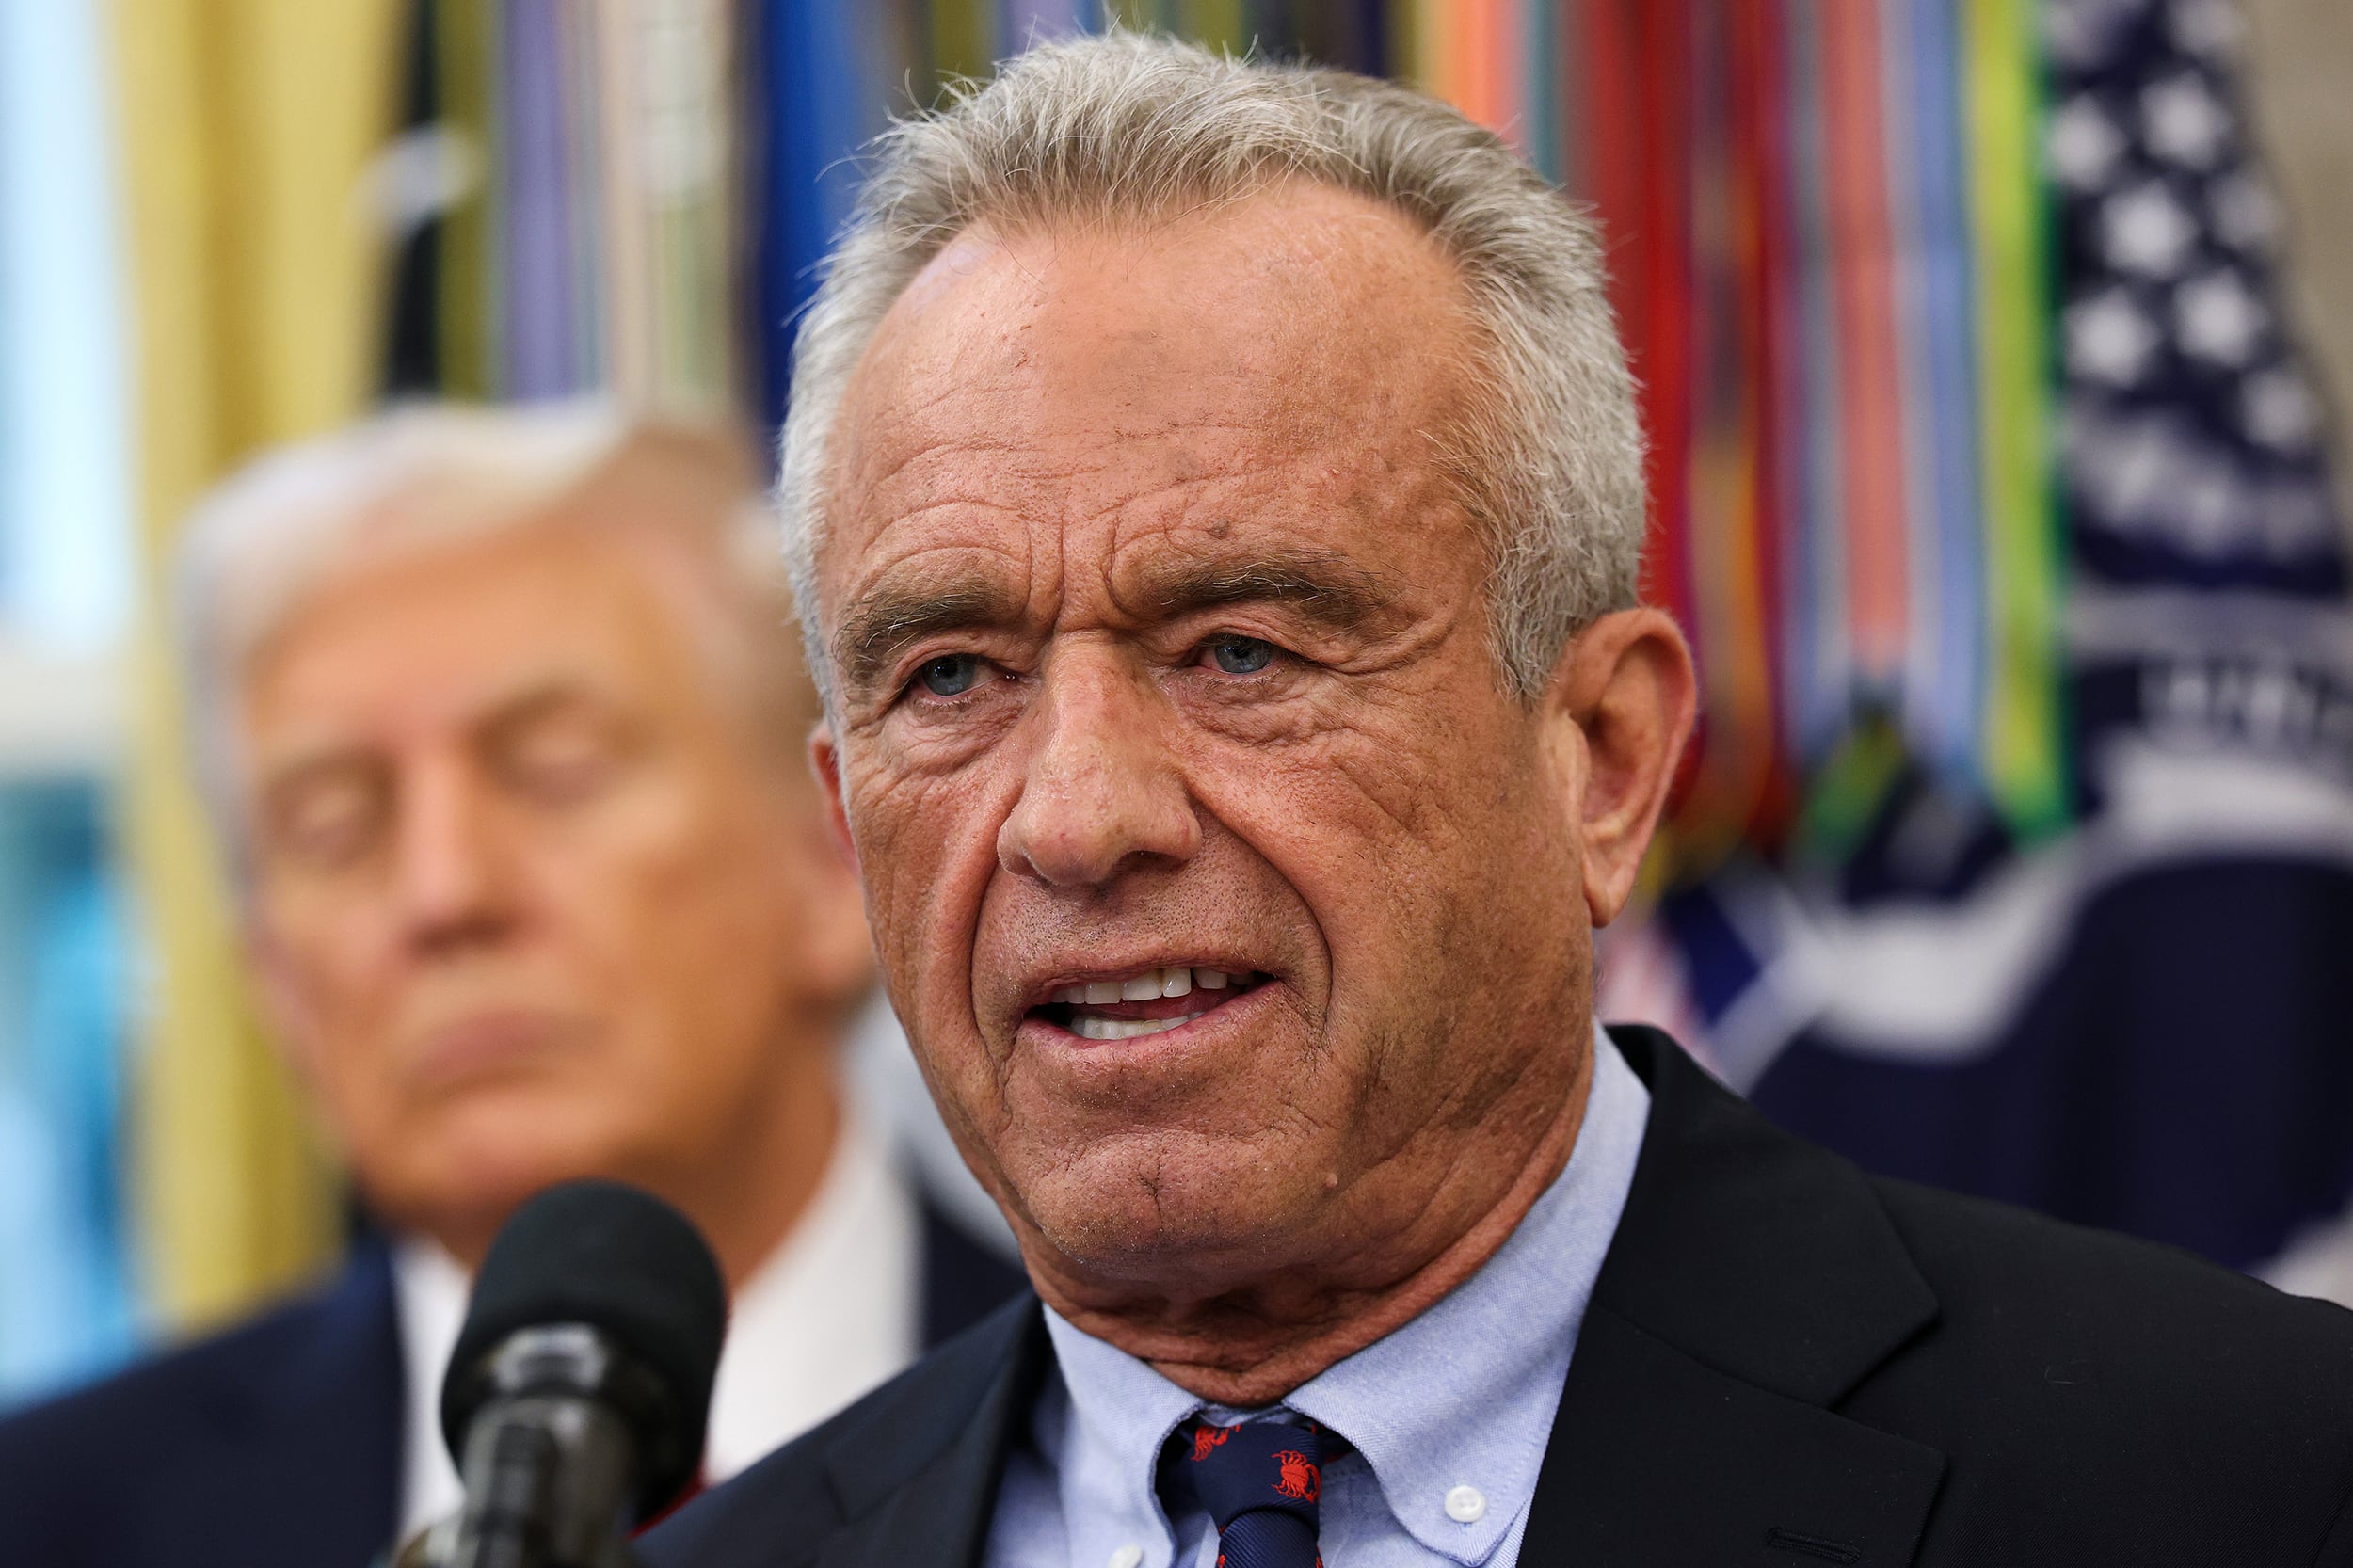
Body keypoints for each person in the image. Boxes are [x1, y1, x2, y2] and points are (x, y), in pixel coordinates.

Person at [642, 35, 2353, 1568]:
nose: (1077, 820)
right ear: (846, 821)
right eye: (951, 677)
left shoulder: (2244, 1480)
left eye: (1240, 649)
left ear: (1601, 757)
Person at [0, 408, 1023, 1568]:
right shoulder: (50, 1522)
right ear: (272, 974)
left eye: (555, 772)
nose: (444, 892)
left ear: (835, 857)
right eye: (335, 827)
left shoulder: (1141, 1428)